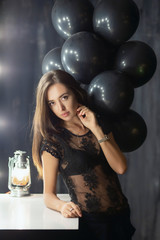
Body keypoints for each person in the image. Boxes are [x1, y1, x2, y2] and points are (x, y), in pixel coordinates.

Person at [32, 70, 135, 240]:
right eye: (52, 103)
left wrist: (95, 128)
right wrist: (62, 206)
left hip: (120, 218)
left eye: (64, 97)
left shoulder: (99, 123)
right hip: (89, 224)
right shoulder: (53, 142)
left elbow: (121, 167)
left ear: (75, 93)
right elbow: (48, 196)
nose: (61, 108)